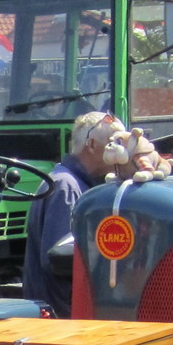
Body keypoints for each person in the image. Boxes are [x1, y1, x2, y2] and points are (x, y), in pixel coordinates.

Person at [23, 111, 128, 315]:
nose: (121, 151)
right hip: (62, 315)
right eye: (115, 142)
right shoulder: (66, 186)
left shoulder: (74, 183)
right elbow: (60, 260)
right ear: (92, 145)